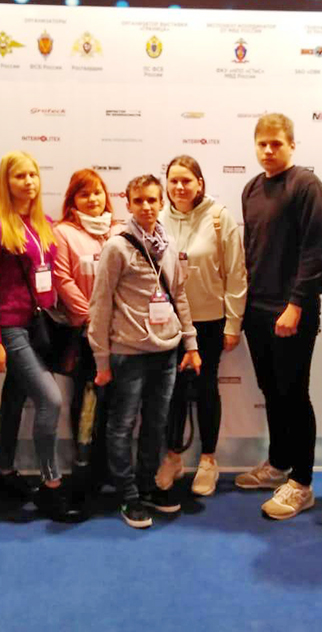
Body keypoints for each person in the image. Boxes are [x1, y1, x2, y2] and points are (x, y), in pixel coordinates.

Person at [89, 174, 201, 528]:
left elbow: (179, 295)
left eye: (153, 200)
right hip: (129, 352)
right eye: (139, 201)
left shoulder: (168, 243)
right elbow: (100, 304)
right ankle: (128, 495)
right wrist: (102, 360)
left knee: (155, 423)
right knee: (122, 425)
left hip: (166, 351)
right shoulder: (117, 246)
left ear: (161, 201)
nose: (147, 207)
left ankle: (147, 486)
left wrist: (191, 343)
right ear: (128, 203)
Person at [0, 151, 79, 522]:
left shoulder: (44, 223)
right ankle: (51, 486)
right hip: (10, 327)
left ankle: (4, 474)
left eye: (33, 175)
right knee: (50, 400)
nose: (28, 182)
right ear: (6, 182)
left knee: (15, 397)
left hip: (40, 325)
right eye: (19, 176)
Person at [236, 114, 322, 520]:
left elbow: (314, 250)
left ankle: (302, 483)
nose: (269, 150)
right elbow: (252, 249)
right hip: (257, 309)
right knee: (272, 391)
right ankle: (278, 465)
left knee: (294, 394)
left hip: (292, 310)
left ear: (292, 144)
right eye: (262, 143)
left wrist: (296, 305)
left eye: (276, 143)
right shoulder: (251, 188)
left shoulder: (307, 186)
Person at [156, 155, 247, 497]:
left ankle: (208, 460)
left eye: (186, 180)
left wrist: (233, 323)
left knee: (206, 387)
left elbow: (236, 274)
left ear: (200, 183)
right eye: (174, 180)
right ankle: (173, 457)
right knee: (173, 390)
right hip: (168, 321)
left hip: (209, 320)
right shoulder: (159, 219)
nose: (179, 187)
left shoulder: (220, 218)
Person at [52, 169, 119, 501]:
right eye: (84, 194)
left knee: (117, 405)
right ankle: (84, 470)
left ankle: (111, 468)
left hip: (121, 335)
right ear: (72, 200)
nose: (93, 199)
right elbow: (62, 279)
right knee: (87, 404)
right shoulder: (63, 232)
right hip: (86, 335)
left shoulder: (119, 231)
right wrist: (93, 318)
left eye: (97, 192)